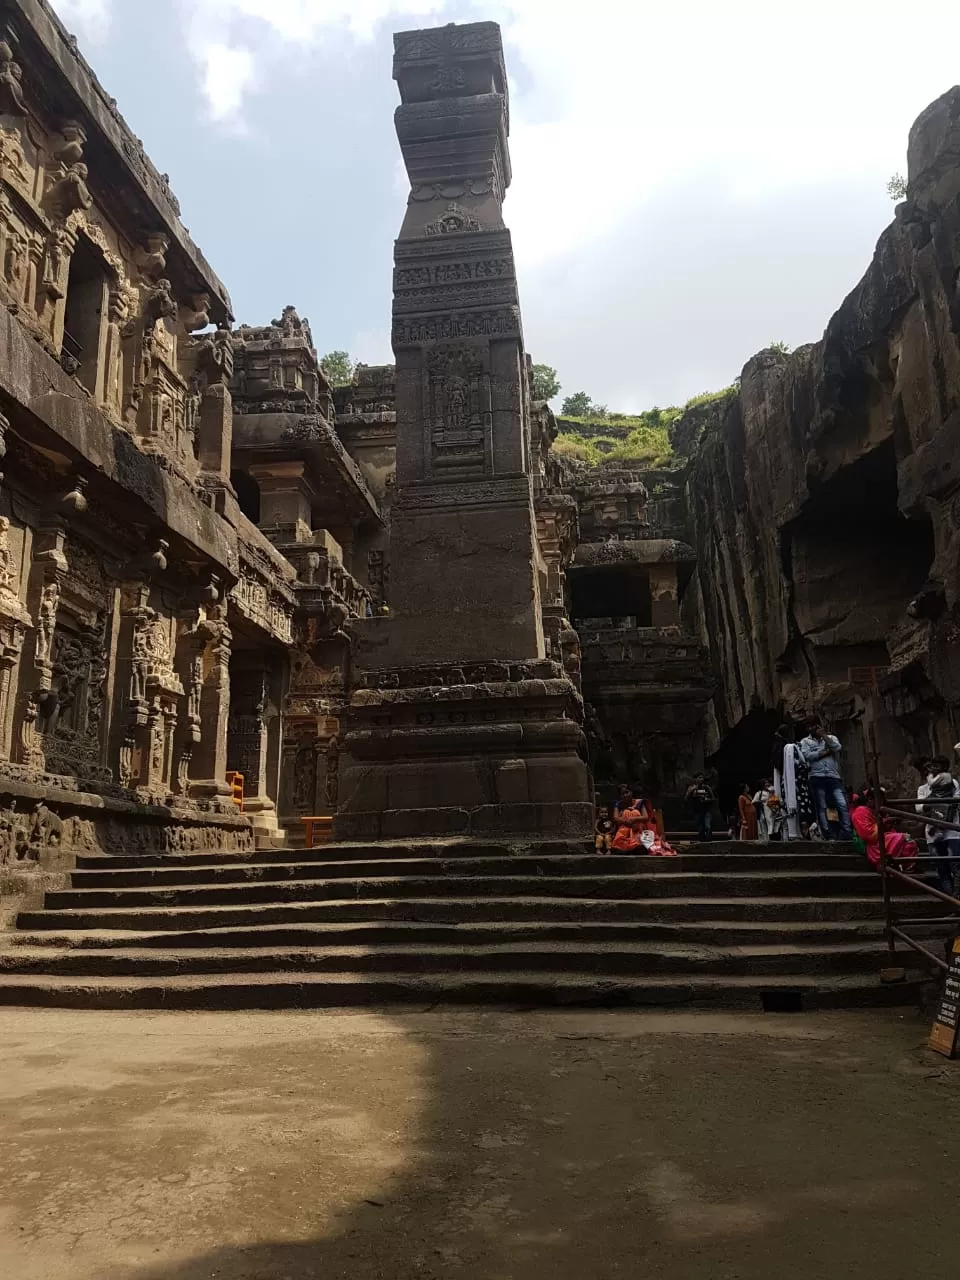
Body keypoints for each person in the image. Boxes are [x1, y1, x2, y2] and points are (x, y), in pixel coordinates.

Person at [799, 721, 853, 841]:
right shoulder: (805, 742)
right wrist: (826, 753)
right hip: (816, 776)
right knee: (822, 807)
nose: (811, 729)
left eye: (813, 726)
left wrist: (824, 736)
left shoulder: (831, 737)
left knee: (841, 804)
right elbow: (807, 756)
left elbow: (837, 747)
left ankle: (846, 833)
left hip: (833, 776)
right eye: (809, 727)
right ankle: (829, 835)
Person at [916, 756, 960, 896]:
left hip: (953, 831)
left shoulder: (952, 781)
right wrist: (937, 804)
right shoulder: (922, 789)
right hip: (933, 833)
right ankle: (952, 904)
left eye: (933, 766)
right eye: (927, 768)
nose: (931, 769)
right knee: (942, 870)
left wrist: (934, 804)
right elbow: (919, 808)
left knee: (957, 868)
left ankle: (957, 900)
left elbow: (956, 800)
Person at [851, 787, 917, 871]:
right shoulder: (860, 812)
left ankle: (906, 867)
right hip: (872, 845)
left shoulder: (880, 811)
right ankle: (887, 864)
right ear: (870, 799)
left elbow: (889, 831)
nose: (882, 803)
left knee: (910, 844)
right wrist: (884, 822)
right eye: (879, 800)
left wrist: (890, 823)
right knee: (903, 838)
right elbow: (868, 835)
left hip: (885, 839)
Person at [685, 773, 715, 842]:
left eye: (702, 777)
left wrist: (706, 800)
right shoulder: (691, 787)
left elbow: (713, 798)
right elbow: (686, 799)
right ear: (695, 779)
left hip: (706, 810)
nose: (701, 779)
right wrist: (692, 790)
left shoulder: (706, 787)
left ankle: (709, 841)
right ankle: (702, 842)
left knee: (708, 826)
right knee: (700, 828)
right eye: (699, 777)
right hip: (697, 811)